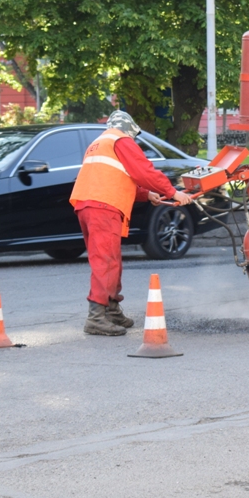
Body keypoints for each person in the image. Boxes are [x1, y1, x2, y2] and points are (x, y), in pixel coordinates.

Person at [69, 110, 194, 336]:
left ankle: (112, 310)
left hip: (89, 205)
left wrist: (146, 195)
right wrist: (172, 192)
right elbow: (143, 171)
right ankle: (96, 317)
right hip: (103, 206)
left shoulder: (98, 143)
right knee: (105, 261)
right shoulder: (121, 140)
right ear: (129, 129)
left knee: (110, 259)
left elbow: (114, 176)